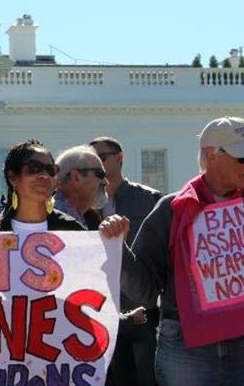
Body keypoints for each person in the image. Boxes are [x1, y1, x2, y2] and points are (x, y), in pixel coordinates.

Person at [101, 116, 244, 385]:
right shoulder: (172, 209)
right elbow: (145, 290)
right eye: (243, 157)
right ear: (212, 156)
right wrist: (117, 247)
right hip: (186, 343)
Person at [89, 136, 163, 386]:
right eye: (91, 160)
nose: (97, 165)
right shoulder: (85, 203)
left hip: (142, 307)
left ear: (119, 158)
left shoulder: (149, 199)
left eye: (101, 157)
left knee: (145, 377)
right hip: (100, 307)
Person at [0, 140, 85, 233]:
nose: (45, 175)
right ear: (13, 177)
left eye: (50, 169)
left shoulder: (74, 231)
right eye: (34, 167)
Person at [54, 145, 109, 230]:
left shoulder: (89, 217)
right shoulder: (58, 220)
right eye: (100, 173)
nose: (106, 182)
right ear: (76, 177)